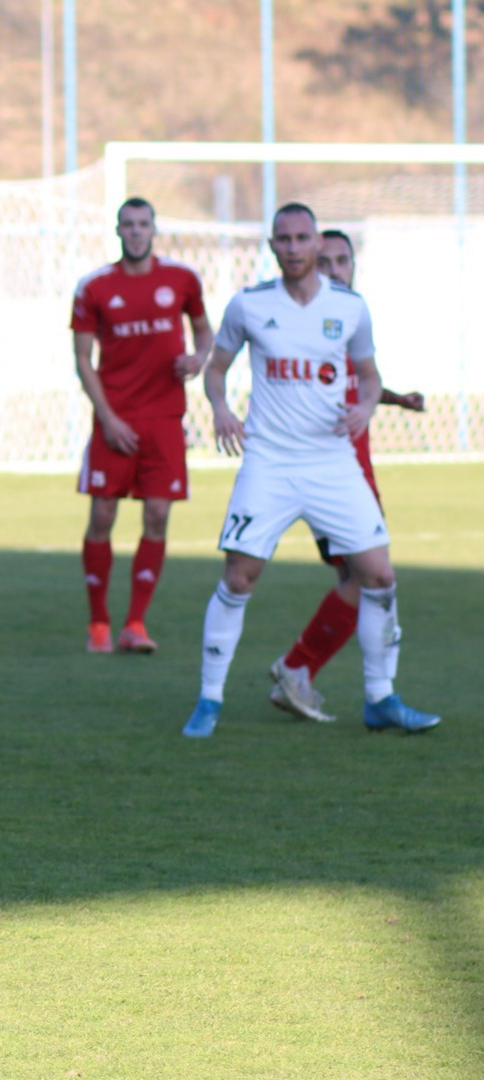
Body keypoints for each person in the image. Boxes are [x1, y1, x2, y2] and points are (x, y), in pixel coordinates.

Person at [182, 203, 439, 738]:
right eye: (285, 239)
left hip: (332, 463)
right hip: (269, 463)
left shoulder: (350, 308)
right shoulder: (249, 304)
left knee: (379, 576)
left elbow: (369, 375)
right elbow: (216, 369)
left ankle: (380, 698)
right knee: (238, 577)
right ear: (272, 246)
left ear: (317, 243)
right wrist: (221, 409)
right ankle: (208, 699)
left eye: (303, 238)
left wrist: (366, 406)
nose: (294, 247)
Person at [266, 228, 427, 722]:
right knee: (370, 579)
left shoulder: (348, 315)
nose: (335, 270)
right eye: (326, 262)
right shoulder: (305, 322)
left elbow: (358, 380)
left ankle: (308, 676)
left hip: (357, 471)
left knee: (360, 582)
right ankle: (302, 668)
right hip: (329, 475)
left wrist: (396, 399)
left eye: (342, 261)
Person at [71, 197, 213, 654]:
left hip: (165, 419)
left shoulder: (182, 279)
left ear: (154, 229)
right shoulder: (94, 287)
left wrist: (198, 358)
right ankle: (98, 623)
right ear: (118, 230)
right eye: (128, 224)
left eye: (143, 224)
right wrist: (107, 418)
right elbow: (82, 359)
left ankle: (135, 623)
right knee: (102, 515)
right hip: (115, 419)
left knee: (157, 515)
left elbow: (205, 331)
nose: (135, 231)